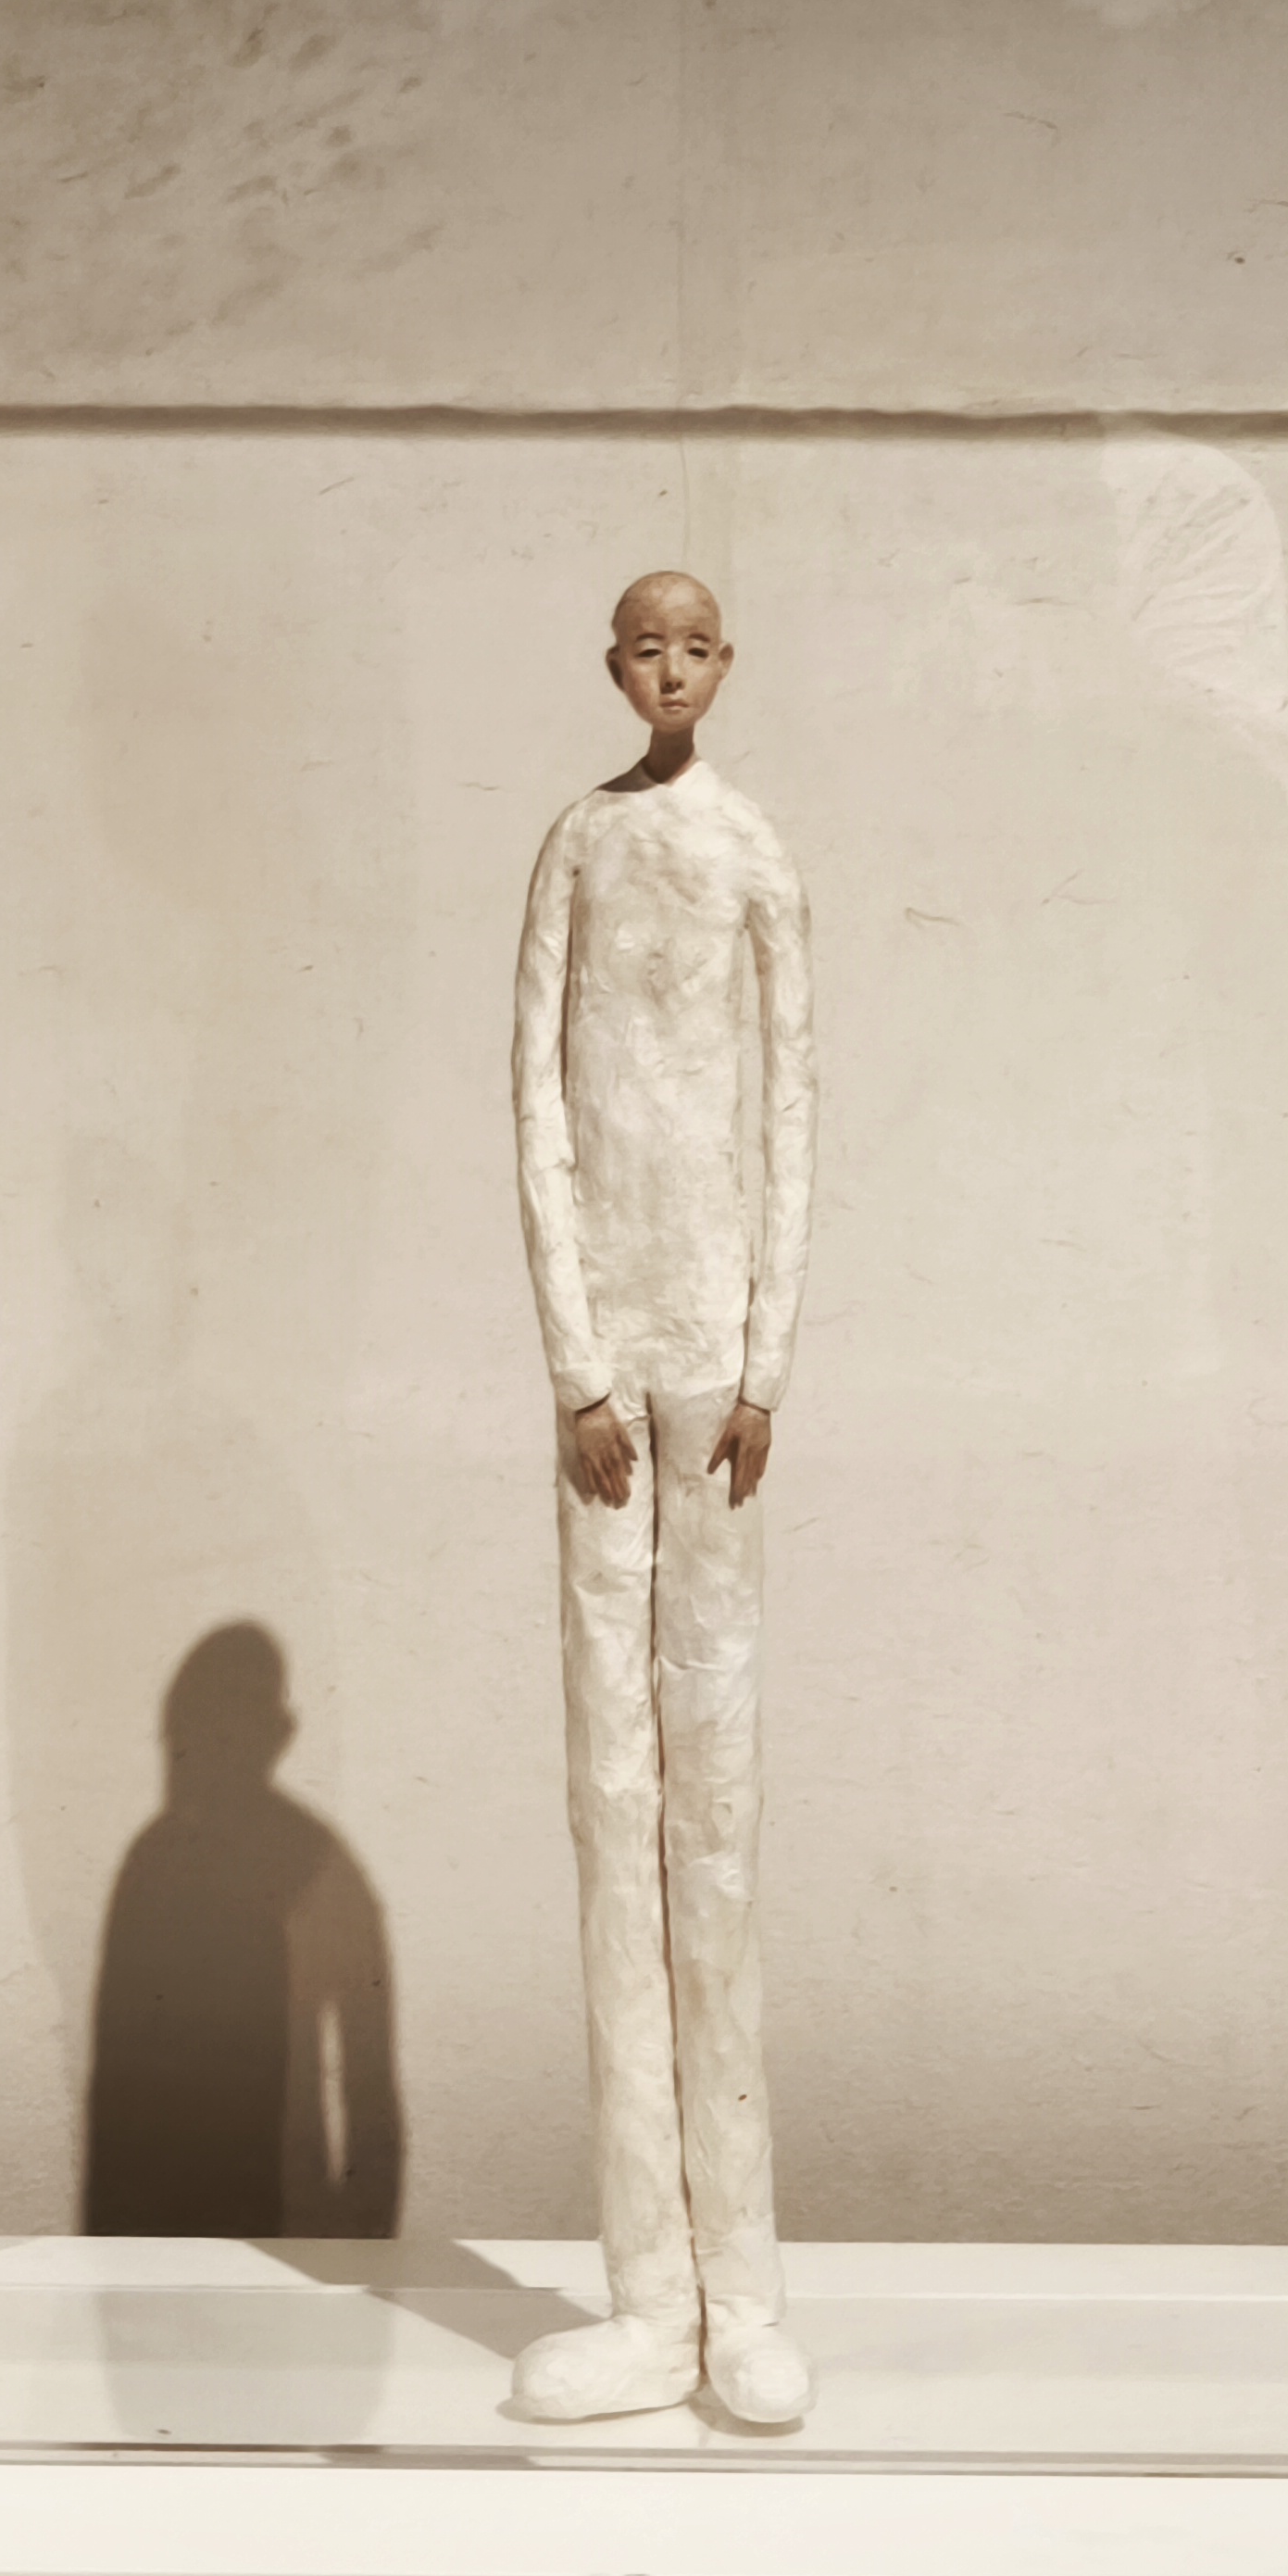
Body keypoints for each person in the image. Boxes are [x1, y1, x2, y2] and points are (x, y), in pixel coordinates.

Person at [506, 571, 819, 2426]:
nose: (672, 669)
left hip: (713, 1367)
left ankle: (744, 2295)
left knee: (719, 1812)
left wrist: (766, 1362)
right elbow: (538, 1105)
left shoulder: (754, 853)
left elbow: (790, 1110)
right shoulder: (578, 844)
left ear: (725, 662)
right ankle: (647, 2293)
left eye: (697, 645)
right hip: (611, 1373)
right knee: (612, 1803)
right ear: (614, 663)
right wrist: (574, 1365)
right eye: (646, 646)